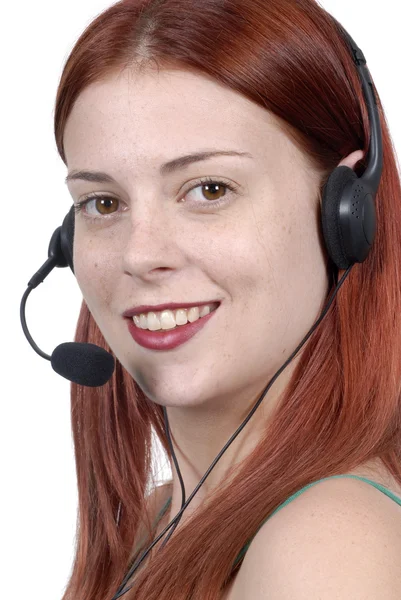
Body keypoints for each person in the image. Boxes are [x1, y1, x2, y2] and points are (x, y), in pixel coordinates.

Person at [55, 0, 401, 598]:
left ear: (346, 214)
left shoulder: (323, 549)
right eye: (103, 203)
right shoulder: (154, 520)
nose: (141, 255)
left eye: (209, 189)